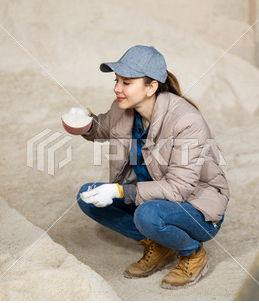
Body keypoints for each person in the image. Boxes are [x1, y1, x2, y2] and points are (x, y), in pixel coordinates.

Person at [66, 45, 229, 289]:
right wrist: (85, 122)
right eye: (116, 80)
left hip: (196, 208)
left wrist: (121, 192)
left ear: (151, 87)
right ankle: (160, 244)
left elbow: (179, 190)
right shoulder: (123, 109)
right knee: (86, 196)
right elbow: (103, 128)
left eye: (127, 82)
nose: (117, 88)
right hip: (151, 197)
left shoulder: (186, 121)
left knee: (148, 215)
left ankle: (192, 253)